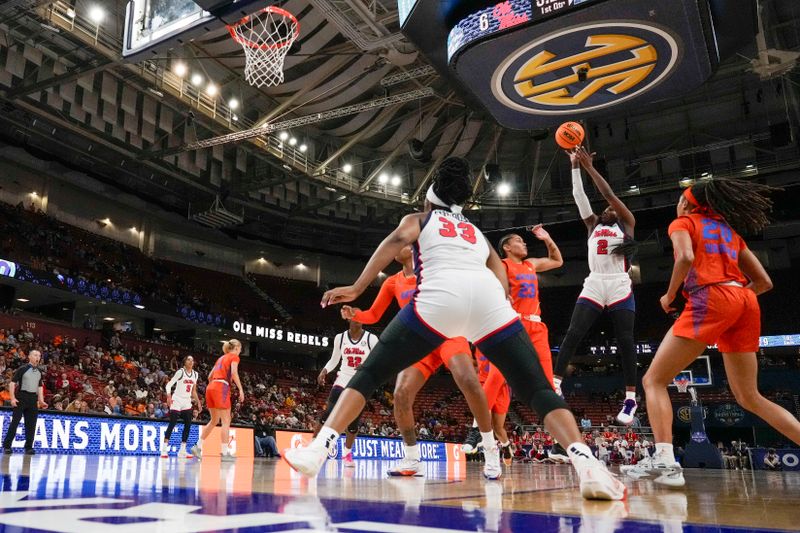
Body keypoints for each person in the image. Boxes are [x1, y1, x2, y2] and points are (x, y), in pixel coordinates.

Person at [285, 157, 624, 500]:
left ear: (429, 200)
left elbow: (395, 239)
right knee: (537, 390)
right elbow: (500, 274)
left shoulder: (420, 218)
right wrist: (499, 305)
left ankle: (318, 450)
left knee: (369, 375)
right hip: (489, 303)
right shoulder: (476, 232)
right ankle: (588, 466)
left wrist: (357, 287)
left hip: (440, 302)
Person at [638, 179, 800, 487]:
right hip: (746, 300)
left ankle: (664, 460)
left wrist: (670, 295)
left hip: (711, 297)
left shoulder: (682, 222)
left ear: (686, 203)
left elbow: (685, 258)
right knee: (750, 397)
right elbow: (764, 282)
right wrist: (733, 302)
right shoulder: (729, 231)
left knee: (653, 380)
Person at [341, 245, 500, 478]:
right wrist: (354, 314)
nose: (397, 246)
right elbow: (373, 315)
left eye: (404, 243)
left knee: (468, 379)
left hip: (448, 332)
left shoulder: (435, 269)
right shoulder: (392, 282)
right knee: (401, 394)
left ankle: (489, 448)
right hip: (418, 343)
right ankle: (412, 459)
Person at [553, 147, 639, 425]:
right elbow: (580, 197)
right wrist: (574, 167)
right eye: (606, 208)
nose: (609, 208)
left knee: (625, 340)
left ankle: (630, 399)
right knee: (573, 333)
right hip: (594, 281)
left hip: (618, 284)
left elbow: (609, 195)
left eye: (612, 208)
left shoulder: (627, 225)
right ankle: (555, 383)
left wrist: (589, 167)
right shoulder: (591, 224)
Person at [465, 224, 564, 464]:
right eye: (519, 240)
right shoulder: (501, 265)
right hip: (514, 324)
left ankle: (560, 441)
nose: (524, 243)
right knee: (497, 375)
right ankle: (477, 428)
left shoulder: (531, 264)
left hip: (537, 327)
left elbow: (557, 261)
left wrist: (547, 238)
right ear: (507, 247)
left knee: (549, 383)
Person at [316, 320, 378, 467]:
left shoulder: (371, 338)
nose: (359, 319)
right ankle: (313, 447)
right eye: (355, 316)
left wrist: (367, 366)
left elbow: (378, 359)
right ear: (350, 320)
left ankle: (347, 453)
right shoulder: (340, 337)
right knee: (328, 413)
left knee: (353, 421)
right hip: (343, 377)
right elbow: (334, 359)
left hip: (361, 380)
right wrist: (324, 371)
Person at [191, 339, 244, 459]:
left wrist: (215, 386)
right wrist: (240, 389)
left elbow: (210, 376)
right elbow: (234, 373)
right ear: (236, 348)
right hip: (221, 387)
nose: (240, 351)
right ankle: (225, 453)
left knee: (214, 420)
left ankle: (197, 446)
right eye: (240, 349)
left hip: (211, 387)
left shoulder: (220, 358)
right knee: (226, 421)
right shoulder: (234, 357)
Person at [2, 350, 47, 454]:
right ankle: (7, 446)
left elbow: (40, 386)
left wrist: (41, 400)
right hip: (21, 397)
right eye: (35, 355)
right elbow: (12, 384)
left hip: (32, 399)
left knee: (31, 424)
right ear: (29, 357)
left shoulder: (39, 371)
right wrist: (13, 398)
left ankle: (28, 447)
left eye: (39, 356)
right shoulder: (23, 368)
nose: (38, 357)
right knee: (15, 422)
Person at [161, 355, 201, 458]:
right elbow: (168, 385)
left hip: (187, 401)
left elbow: (193, 391)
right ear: (184, 362)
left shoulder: (195, 374)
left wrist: (198, 402)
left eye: (192, 360)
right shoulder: (180, 372)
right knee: (172, 423)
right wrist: (169, 397)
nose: (191, 361)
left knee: (188, 424)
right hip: (177, 399)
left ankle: (182, 450)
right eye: (188, 359)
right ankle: (164, 449)